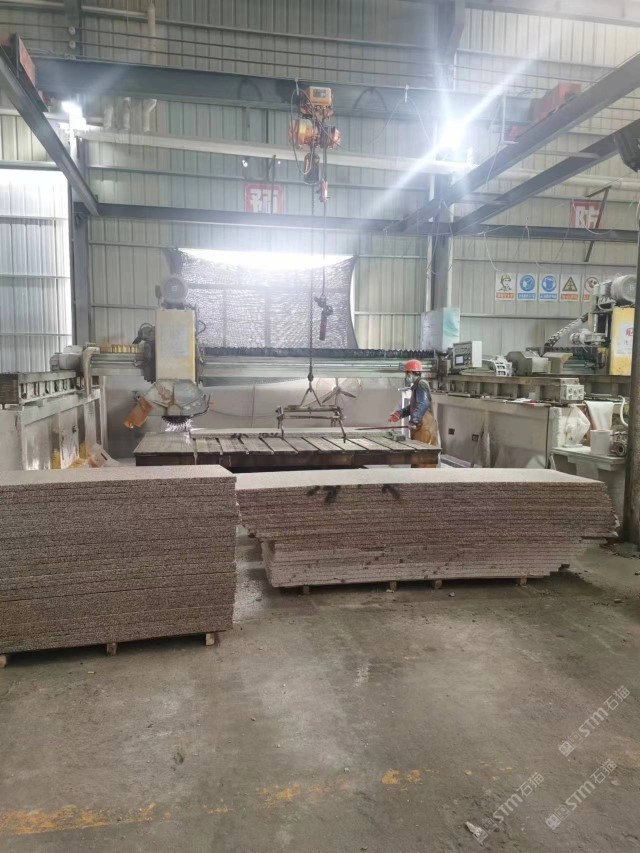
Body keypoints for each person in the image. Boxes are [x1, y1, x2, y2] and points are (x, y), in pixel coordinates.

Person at [388, 359, 438, 446]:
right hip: (420, 427)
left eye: (406, 373)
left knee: (423, 453)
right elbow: (413, 406)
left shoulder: (422, 384)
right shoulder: (416, 385)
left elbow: (423, 404)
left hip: (424, 428)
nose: (405, 376)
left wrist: (414, 420)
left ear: (410, 373)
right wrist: (399, 414)